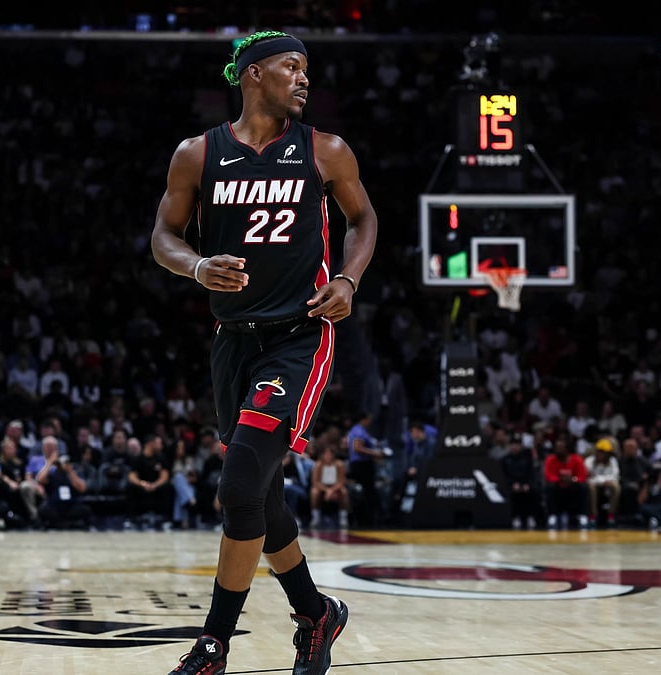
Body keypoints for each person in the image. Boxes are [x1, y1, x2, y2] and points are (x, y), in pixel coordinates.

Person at [152, 30, 377, 675]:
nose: (304, 79)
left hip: (299, 335)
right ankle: (316, 613)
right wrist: (197, 267)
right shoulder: (198, 154)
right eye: (292, 66)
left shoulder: (325, 150)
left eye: (307, 69)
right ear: (254, 73)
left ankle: (213, 646)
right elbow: (164, 236)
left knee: (240, 485)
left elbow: (364, 219)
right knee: (261, 497)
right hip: (233, 342)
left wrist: (348, 280)